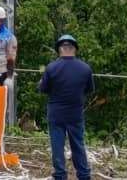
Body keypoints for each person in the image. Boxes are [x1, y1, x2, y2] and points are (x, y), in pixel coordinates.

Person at [39, 34, 94, 180]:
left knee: (57, 146)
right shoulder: (85, 68)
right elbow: (89, 89)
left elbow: (43, 89)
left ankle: (60, 175)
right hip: (75, 113)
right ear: (75, 49)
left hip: (56, 114)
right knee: (78, 145)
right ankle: (83, 175)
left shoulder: (51, 68)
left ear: (59, 50)